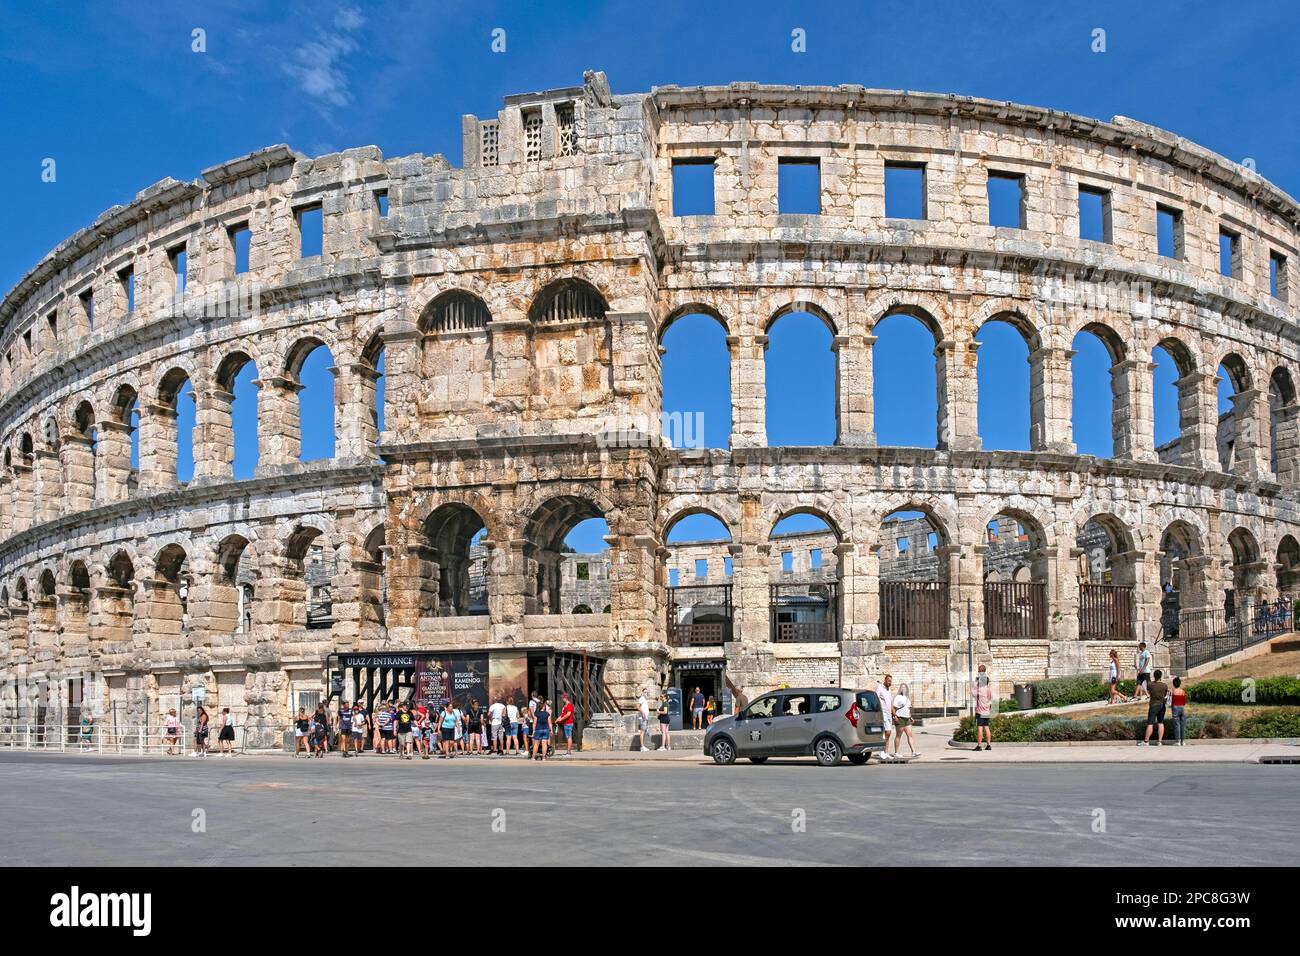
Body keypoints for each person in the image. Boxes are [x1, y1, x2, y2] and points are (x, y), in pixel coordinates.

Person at [1141, 669, 1169, 747]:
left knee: (1150, 723)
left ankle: (1146, 741)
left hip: (1153, 705)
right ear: (1161, 676)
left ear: (1154, 676)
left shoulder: (1150, 685)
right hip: (1162, 705)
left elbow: (1147, 689)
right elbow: (1166, 694)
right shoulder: (1164, 685)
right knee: (1160, 723)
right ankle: (1159, 741)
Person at [892, 682, 917, 757]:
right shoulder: (898, 697)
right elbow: (893, 708)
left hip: (907, 718)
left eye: (905, 687)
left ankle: (913, 752)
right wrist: (895, 716)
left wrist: (910, 717)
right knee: (898, 735)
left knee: (910, 735)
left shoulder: (907, 698)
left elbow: (907, 709)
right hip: (900, 718)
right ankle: (896, 753)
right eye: (902, 687)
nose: (903, 688)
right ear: (900, 689)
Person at [972, 666, 993, 752]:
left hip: (980, 712)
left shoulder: (979, 690)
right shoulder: (989, 690)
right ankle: (988, 745)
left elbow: (971, 692)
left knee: (980, 728)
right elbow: (991, 700)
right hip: (987, 711)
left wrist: (975, 684)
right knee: (987, 727)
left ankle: (979, 746)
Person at [876, 675, 894, 760]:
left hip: (889, 713)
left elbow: (890, 703)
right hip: (882, 713)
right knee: (887, 731)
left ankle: (886, 752)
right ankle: (881, 751)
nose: (890, 682)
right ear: (885, 680)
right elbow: (875, 698)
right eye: (888, 681)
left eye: (891, 681)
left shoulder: (889, 690)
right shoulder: (880, 688)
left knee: (888, 733)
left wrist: (894, 714)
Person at [1170, 676, 1188, 746]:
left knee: (1177, 725)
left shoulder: (1173, 691)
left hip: (1175, 708)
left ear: (1173, 684)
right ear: (1180, 683)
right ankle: (1183, 741)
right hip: (1182, 708)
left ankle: (1177, 741)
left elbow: (1170, 701)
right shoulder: (1183, 691)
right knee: (1182, 724)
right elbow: (1184, 702)